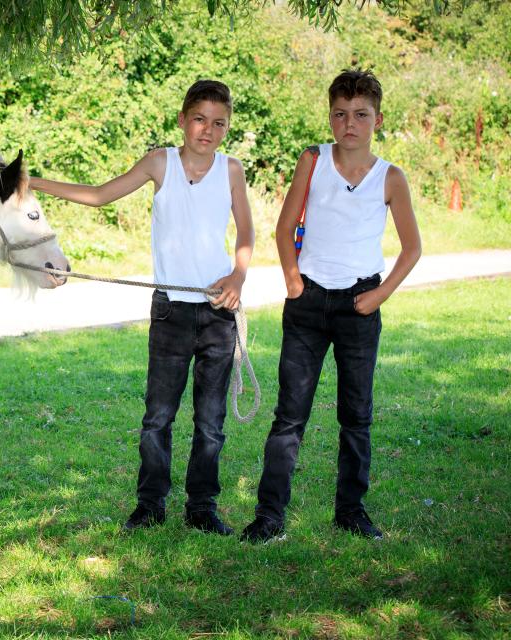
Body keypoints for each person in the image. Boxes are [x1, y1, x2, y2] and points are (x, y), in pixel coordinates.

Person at [29, 80, 255, 535]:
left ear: (226, 128)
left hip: (216, 314)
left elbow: (247, 234)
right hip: (170, 311)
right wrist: (32, 181)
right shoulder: (160, 163)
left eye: (218, 123)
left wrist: (237, 276)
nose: (207, 130)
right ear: (182, 120)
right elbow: (98, 195)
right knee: (158, 417)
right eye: (199, 119)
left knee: (210, 422)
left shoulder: (231, 170)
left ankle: (202, 507)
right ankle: (150, 506)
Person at [240, 69, 422, 543]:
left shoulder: (390, 178)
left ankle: (351, 511)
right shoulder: (313, 160)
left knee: (356, 415)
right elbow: (285, 227)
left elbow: (411, 248)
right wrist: (294, 281)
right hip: (308, 303)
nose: (349, 124)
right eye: (340, 114)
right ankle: (270, 516)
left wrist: (379, 295)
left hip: (360, 305)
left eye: (360, 115)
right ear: (330, 117)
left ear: (376, 120)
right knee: (289, 415)